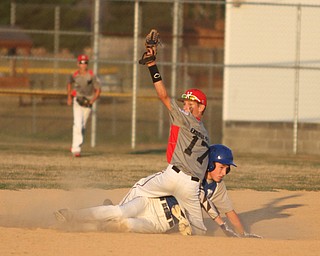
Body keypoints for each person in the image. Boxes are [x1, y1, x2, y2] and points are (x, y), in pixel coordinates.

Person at [54, 144, 261, 238]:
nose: (224, 172)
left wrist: (243, 235)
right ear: (210, 164)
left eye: (227, 170)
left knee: (125, 225)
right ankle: (72, 215)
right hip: (151, 201)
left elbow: (230, 213)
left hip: (161, 223)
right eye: (222, 167)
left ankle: (85, 225)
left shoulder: (217, 188)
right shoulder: (189, 172)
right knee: (120, 212)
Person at [125, 35, 210, 235]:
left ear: (201, 107)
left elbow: (163, 95)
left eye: (191, 103)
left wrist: (152, 65)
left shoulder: (183, 118)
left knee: (140, 187)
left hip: (173, 176)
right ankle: (184, 219)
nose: (186, 106)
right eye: (185, 103)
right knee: (200, 231)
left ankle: (119, 211)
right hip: (191, 187)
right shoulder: (206, 134)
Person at [67, 54, 101, 157]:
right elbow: (69, 84)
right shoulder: (74, 74)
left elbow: (98, 90)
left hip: (88, 102)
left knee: (82, 126)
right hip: (77, 100)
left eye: (85, 62)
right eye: (81, 62)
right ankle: (76, 149)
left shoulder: (91, 75)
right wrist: (69, 97)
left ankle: (75, 146)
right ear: (78, 63)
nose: (83, 64)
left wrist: (92, 101)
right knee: (77, 123)